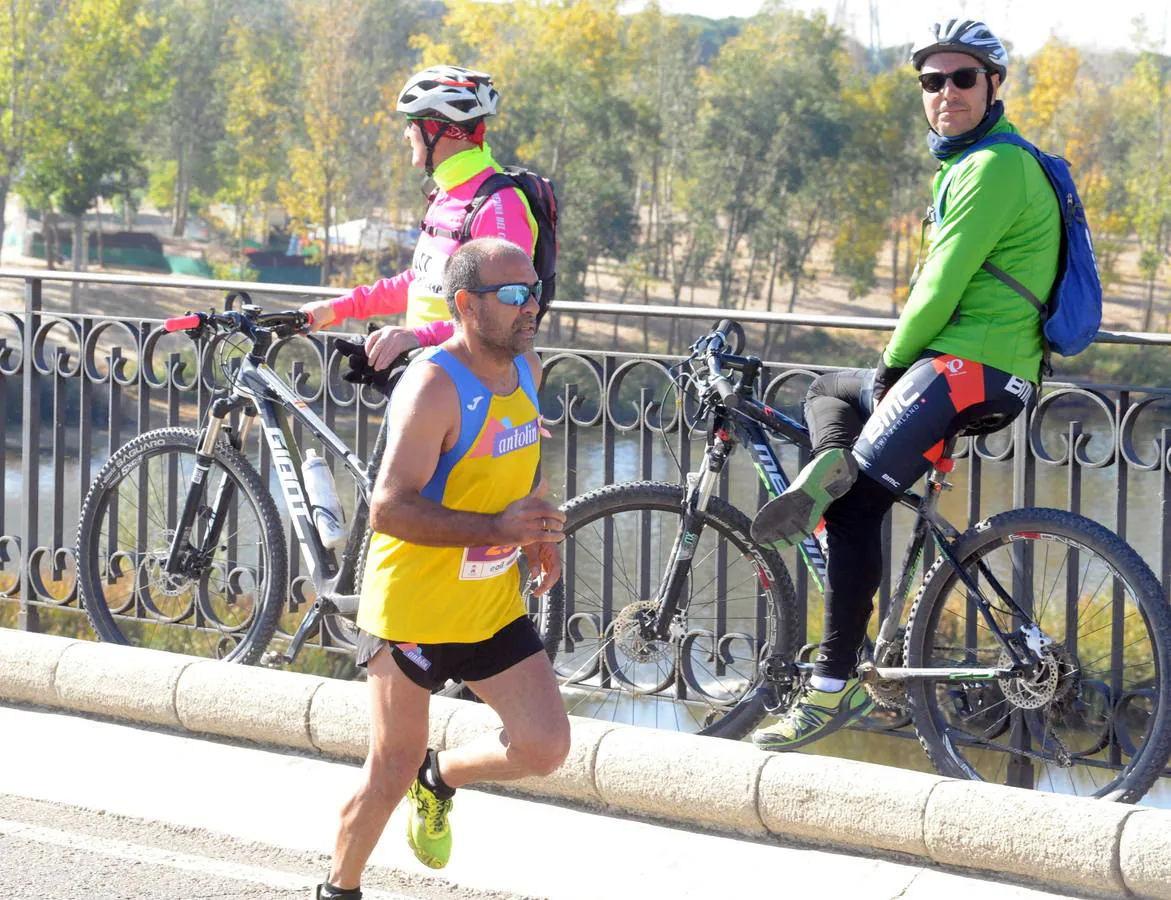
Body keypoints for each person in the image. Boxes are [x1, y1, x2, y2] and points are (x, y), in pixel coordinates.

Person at [748, 18, 1060, 751]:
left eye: (961, 78)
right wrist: (885, 373)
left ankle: (828, 690)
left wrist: (890, 366)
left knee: (854, 515)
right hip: (954, 367)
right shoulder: (971, 164)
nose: (944, 92)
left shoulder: (993, 166)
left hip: (965, 370)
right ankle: (832, 459)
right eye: (930, 81)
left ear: (992, 87)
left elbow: (940, 284)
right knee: (827, 385)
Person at [315, 238, 569, 899]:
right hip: (413, 612)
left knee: (544, 747)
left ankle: (444, 775)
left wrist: (538, 531)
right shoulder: (432, 387)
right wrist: (495, 530)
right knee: (387, 769)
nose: (530, 306)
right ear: (464, 304)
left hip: (488, 607)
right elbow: (387, 510)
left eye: (534, 290)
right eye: (512, 295)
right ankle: (338, 888)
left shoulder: (527, 371)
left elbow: (521, 468)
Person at [300, 65, 539, 371]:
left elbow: (506, 313)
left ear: (442, 130)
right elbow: (421, 283)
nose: (405, 134)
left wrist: (417, 337)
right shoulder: (446, 193)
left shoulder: (496, 205)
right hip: (430, 372)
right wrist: (333, 309)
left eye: (411, 123)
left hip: (473, 383)